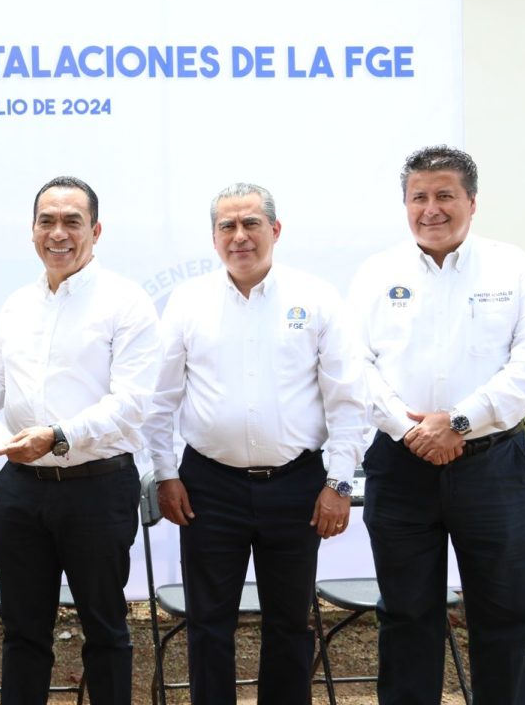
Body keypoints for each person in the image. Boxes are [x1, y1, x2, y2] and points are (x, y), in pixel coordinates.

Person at [0, 176, 161, 705]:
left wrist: (57, 437)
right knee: (22, 632)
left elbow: (132, 403)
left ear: (95, 231)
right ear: (32, 230)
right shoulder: (17, 304)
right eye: (47, 221)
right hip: (21, 490)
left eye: (72, 222)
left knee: (106, 630)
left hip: (98, 489)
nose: (58, 233)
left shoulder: (126, 302)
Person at [144, 183, 368, 704]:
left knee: (290, 623)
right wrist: (165, 473)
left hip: (296, 486)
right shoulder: (188, 302)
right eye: (227, 226)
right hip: (207, 487)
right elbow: (160, 399)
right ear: (214, 236)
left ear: (275, 230)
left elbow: (347, 400)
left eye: (251, 224)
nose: (239, 236)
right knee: (208, 623)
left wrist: (339, 483)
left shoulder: (316, 298)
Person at [349, 146, 525, 705]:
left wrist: (458, 422)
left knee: (505, 615)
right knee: (406, 616)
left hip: (492, 466)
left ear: (472, 202)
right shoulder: (376, 273)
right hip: (401, 466)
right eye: (419, 197)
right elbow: (354, 367)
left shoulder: (514, 269)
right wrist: (408, 429)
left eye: (445, 195)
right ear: (406, 204)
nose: (430, 209)